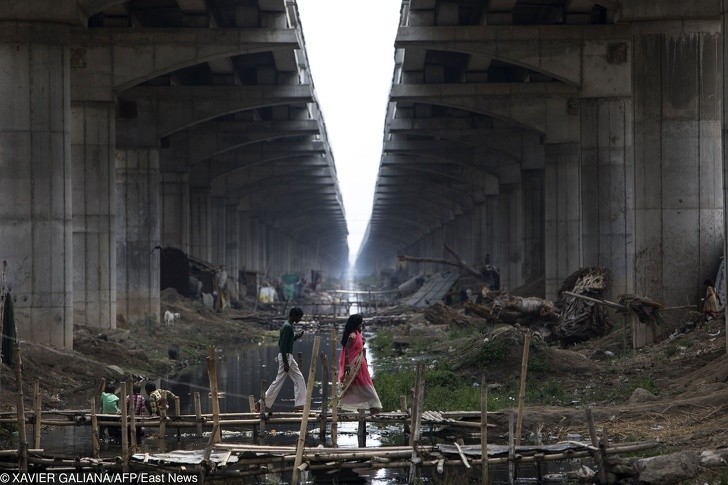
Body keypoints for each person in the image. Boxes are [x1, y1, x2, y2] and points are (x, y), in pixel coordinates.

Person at [255, 307, 306, 413]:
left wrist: (296, 337)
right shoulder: (287, 327)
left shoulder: (287, 326)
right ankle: (261, 402)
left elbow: (286, 342)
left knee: (299, 378)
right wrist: (286, 363)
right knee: (279, 381)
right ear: (293, 315)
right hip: (286, 357)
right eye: (299, 317)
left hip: (288, 357)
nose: (300, 319)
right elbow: (282, 346)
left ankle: (300, 404)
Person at [338, 314, 382, 414]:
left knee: (361, 383)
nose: (361, 324)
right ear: (356, 323)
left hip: (360, 363)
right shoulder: (352, 336)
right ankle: (373, 405)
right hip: (354, 363)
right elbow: (347, 348)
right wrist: (347, 364)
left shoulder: (357, 333)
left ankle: (342, 405)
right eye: (360, 323)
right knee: (355, 384)